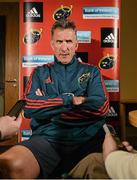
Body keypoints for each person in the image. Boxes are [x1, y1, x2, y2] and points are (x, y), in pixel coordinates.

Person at [0, 19, 109, 179]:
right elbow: (30, 107)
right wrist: (70, 100)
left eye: (69, 41)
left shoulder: (92, 72)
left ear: (76, 44)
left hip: (88, 139)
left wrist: (48, 107)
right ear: (52, 44)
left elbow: (100, 107)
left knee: (112, 168)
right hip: (47, 139)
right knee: (9, 164)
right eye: (59, 41)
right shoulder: (40, 72)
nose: (64, 48)